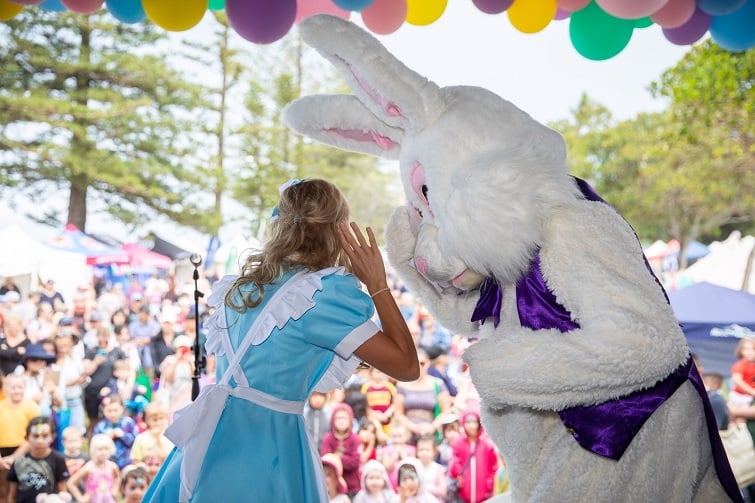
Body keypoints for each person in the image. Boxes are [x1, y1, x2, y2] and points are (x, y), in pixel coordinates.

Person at [143, 178, 418, 503]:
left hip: (208, 443)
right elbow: (406, 366)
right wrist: (377, 283)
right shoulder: (320, 295)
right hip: (269, 451)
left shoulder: (243, 287)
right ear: (337, 231)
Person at [394, 348, 452, 442]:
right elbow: (398, 413)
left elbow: (446, 410)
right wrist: (413, 427)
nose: (419, 367)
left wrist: (433, 426)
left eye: (422, 363)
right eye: (416, 363)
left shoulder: (438, 383)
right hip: (407, 433)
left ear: (428, 363)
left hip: (431, 433)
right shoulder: (402, 384)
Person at [6, 416, 70, 503]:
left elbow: (63, 491)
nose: (40, 441)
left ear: (52, 437)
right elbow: (12, 496)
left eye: (45, 436)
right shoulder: (18, 462)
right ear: (26, 438)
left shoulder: (58, 459)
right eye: (35, 436)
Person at [0, 374, 41, 502]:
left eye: (20, 387)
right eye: (13, 387)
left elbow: (35, 434)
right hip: (2, 453)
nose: (16, 391)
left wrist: (14, 457)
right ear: (6, 389)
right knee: (3, 489)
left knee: (23, 488)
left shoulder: (32, 407)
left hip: (24, 451)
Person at [447, 411, 498, 503]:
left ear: (479, 423)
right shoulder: (457, 443)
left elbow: (494, 467)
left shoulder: (487, 444)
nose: (471, 426)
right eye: (468, 422)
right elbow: (454, 464)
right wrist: (459, 477)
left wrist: (489, 485)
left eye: (474, 422)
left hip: (484, 494)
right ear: (463, 424)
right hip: (463, 494)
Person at [321, 403, 361, 497]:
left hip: (353, 487)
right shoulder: (328, 438)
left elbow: (355, 462)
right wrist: (346, 457)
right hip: (333, 488)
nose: (341, 421)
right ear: (332, 420)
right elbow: (326, 462)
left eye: (344, 418)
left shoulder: (355, 439)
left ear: (350, 420)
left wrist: (337, 456)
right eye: (338, 418)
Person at [66, 434, 120, 503]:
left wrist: (115, 489)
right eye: (100, 449)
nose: (103, 452)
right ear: (94, 450)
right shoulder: (89, 467)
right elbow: (71, 483)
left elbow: (117, 477)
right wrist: (81, 499)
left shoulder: (112, 466)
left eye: (106, 449)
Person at [92, 393, 137, 470]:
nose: (112, 414)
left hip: (125, 463)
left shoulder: (128, 423)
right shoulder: (101, 426)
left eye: (115, 410)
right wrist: (105, 438)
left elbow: (135, 442)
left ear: (122, 409)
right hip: (105, 465)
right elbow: (94, 445)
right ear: (103, 410)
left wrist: (123, 435)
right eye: (109, 411)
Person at [361, 366, 397, 434]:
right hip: (372, 420)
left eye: (382, 372)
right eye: (377, 372)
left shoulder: (390, 386)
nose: (380, 374)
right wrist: (371, 414)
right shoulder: (366, 387)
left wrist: (386, 415)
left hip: (387, 420)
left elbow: (395, 403)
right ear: (371, 373)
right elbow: (364, 404)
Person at [414, 435, 447, 502]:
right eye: (421, 450)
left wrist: (426, 488)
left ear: (434, 452)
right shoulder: (414, 466)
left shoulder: (438, 469)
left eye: (427, 450)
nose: (424, 453)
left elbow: (442, 489)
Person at [729, 338, 755, 410]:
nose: (750, 352)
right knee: (739, 416)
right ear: (741, 351)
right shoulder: (740, 365)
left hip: (750, 398)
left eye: (753, 349)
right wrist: (751, 391)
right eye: (747, 349)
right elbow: (737, 381)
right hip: (738, 397)